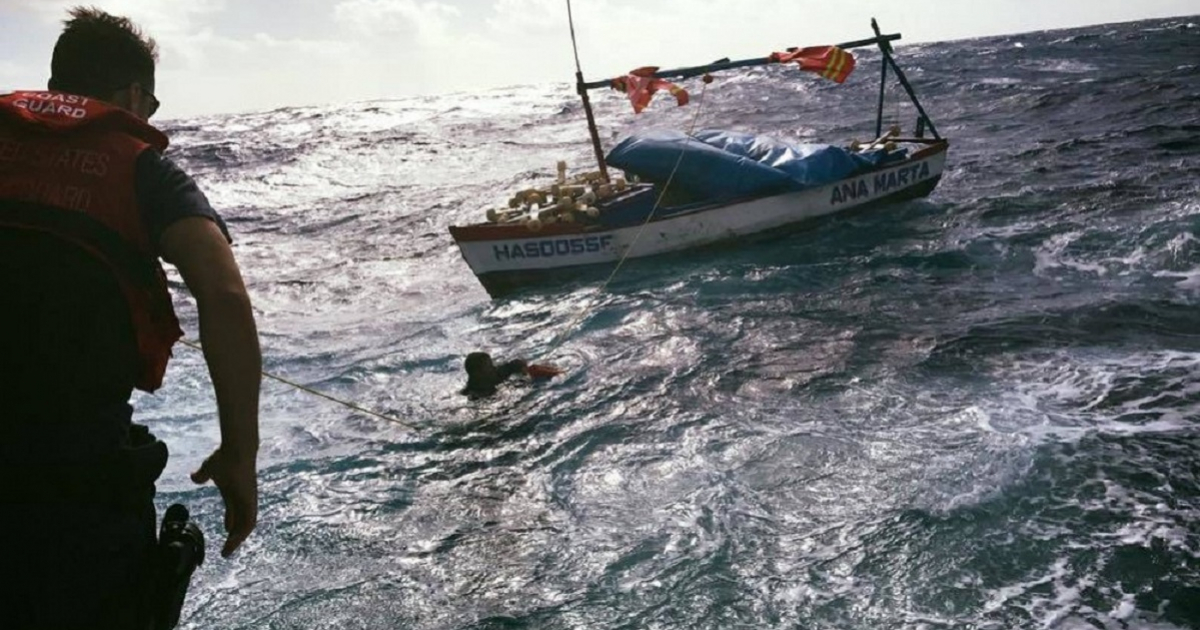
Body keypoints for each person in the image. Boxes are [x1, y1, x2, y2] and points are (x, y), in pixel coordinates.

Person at [0, 7, 261, 629]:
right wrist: (239, 455)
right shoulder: (146, 173)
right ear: (132, 96)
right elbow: (224, 296)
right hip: (75, 491)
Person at [461, 351, 562, 397]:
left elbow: (515, 363)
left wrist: (525, 369)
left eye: (491, 364)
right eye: (488, 367)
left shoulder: (496, 373)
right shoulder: (475, 392)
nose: (493, 367)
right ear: (477, 373)